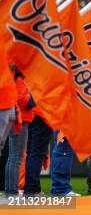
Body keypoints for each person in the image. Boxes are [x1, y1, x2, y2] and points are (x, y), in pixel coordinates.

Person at [4, 67, 32, 198]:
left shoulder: (16, 77)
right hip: (20, 120)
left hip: (17, 118)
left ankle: (10, 191)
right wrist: (38, 97)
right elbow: (24, 101)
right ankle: (12, 192)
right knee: (16, 158)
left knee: (13, 157)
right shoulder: (19, 78)